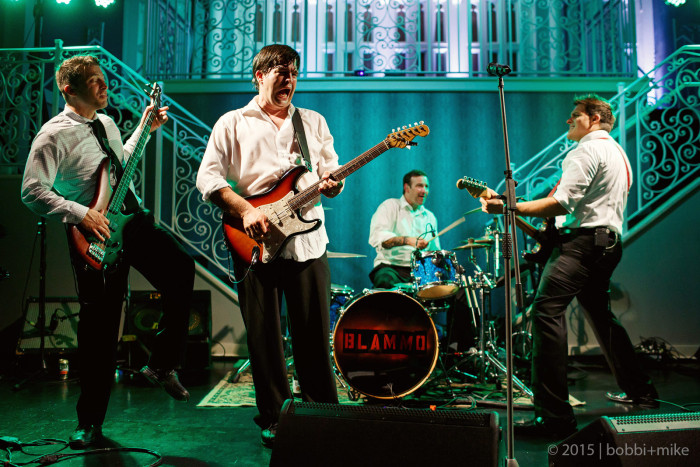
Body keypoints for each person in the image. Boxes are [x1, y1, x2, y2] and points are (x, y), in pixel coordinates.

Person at [21, 55, 194, 449]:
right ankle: (89, 424)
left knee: (182, 269)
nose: (104, 85)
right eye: (94, 80)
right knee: (99, 331)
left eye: (103, 78)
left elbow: (120, 163)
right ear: (69, 89)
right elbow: (31, 190)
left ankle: (162, 364)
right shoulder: (53, 135)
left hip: (132, 221)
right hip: (95, 236)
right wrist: (80, 213)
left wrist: (145, 130)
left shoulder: (107, 123)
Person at [480, 94, 658, 438]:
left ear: (594, 118)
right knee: (600, 315)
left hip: (582, 245)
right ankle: (642, 391)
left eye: (575, 115)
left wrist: (508, 207)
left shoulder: (585, 150)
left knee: (546, 313)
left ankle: (555, 418)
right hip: (608, 244)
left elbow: (561, 203)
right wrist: (515, 207)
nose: (568, 120)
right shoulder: (618, 153)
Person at [196, 44, 342, 448]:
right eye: (281, 72)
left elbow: (330, 171)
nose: (289, 79)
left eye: (294, 72)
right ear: (260, 76)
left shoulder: (312, 121)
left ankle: (321, 413)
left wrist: (334, 184)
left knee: (314, 335)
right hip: (254, 241)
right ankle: (276, 418)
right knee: (265, 338)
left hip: (308, 242)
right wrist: (246, 211)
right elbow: (208, 178)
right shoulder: (232, 123)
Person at [368, 170, 473, 353]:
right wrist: (408, 240)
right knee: (386, 282)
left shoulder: (429, 217)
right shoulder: (390, 206)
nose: (424, 190)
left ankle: (454, 349)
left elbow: (434, 254)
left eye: (426, 186)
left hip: (419, 272)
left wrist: (450, 268)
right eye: (419, 186)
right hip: (390, 266)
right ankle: (389, 348)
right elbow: (379, 238)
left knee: (461, 290)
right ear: (406, 188)